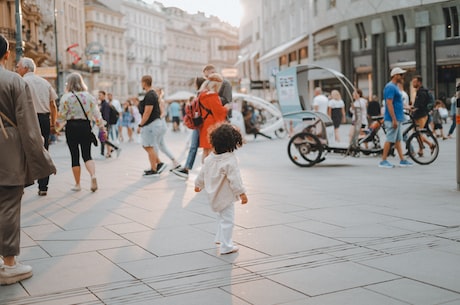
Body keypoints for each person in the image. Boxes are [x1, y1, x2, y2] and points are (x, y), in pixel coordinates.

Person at [0, 34, 56, 285]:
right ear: (7, 55)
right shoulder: (14, 81)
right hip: (7, 151)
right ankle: (9, 265)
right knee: (9, 206)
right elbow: (30, 128)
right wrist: (43, 160)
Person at [194, 123, 248, 255]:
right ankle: (226, 246)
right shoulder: (230, 160)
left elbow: (202, 173)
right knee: (227, 221)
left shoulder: (209, 158)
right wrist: (242, 193)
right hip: (225, 196)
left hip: (213, 195)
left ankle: (219, 238)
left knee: (221, 217)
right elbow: (235, 180)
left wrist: (198, 185)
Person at [56, 73, 107, 191]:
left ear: (69, 83)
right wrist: (102, 128)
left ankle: (78, 184)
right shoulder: (89, 96)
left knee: (75, 156)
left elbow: (61, 117)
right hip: (85, 126)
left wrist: (57, 129)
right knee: (87, 155)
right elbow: (97, 115)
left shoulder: (66, 97)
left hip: (71, 127)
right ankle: (93, 176)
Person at [15, 57, 58, 196]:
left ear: (25, 68)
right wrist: (53, 123)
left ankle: (21, 186)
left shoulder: (21, 82)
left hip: (28, 119)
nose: (16, 69)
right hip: (44, 119)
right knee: (43, 150)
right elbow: (53, 105)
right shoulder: (45, 82)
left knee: (22, 151)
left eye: (18, 66)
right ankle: (43, 187)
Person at [379, 67, 413, 168]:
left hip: (397, 118)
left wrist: (408, 107)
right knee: (390, 139)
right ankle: (383, 161)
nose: (402, 77)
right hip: (392, 118)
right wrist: (393, 119)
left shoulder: (395, 87)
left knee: (398, 139)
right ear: (395, 75)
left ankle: (402, 159)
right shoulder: (390, 87)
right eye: (401, 75)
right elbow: (389, 103)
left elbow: (398, 102)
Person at [172, 77, 206, 178]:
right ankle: (187, 169)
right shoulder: (199, 94)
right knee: (194, 147)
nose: (194, 85)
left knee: (196, 147)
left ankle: (188, 169)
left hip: (200, 123)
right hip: (200, 123)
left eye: (195, 83)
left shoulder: (201, 94)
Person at [137, 75, 166, 176]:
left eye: (141, 82)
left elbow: (147, 112)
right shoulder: (151, 94)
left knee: (148, 146)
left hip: (151, 124)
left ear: (144, 82)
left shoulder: (150, 95)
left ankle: (156, 167)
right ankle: (155, 166)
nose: (141, 84)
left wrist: (140, 125)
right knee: (148, 146)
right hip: (153, 124)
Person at [197, 73, 228, 160]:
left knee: (205, 151)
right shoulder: (212, 96)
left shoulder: (201, 95)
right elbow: (218, 111)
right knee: (212, 150)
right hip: (212, 125)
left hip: (204, 124)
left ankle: (205, 170)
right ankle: (210, 171)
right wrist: (226, 108)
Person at [411, 75, 435, 154]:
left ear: (419, 82)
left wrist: (413, 108)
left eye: (414, 82)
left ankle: (430, 144)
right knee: (417, 133)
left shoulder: (422, 92)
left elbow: (420, 104)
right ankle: (421, 150)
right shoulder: (420, 91)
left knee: (417, 133)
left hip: (421, 115)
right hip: (418, 115)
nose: (413, 84)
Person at [156, 88, 179, 169]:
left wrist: (157, 118)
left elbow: (163, 113)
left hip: (160, 125)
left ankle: (157, 164)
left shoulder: (160, 101)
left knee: (155, 145)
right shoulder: (158, 101)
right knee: (162, 146)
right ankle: (174, 161)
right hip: (161, 125)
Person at [98, 91, 121, 158]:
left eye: (100, 95)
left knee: (102, 138)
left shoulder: (105, 104)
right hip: (104, 124)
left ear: (104, 96)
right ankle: (110, 152)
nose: (99, 96)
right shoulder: (103, 104)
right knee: (104, 138)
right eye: (98, 95)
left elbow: (106, 116)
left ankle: (103, 154)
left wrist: (104, 126)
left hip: (105, 124)